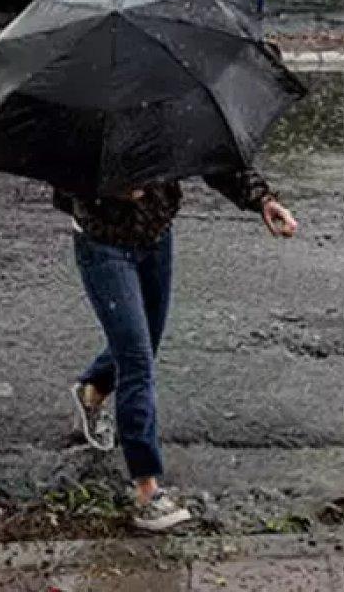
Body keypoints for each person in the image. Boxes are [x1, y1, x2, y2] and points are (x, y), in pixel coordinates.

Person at [56, 171, 298, 532]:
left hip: (156, 236)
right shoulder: (80, 118)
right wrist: (108, 187)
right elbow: (60, 180)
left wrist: (261, 200)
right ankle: (146, 490)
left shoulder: (163, 114)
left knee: (144, 343)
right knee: (137, 362)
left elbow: (211, 154)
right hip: (102, 244)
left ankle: (92, 389)